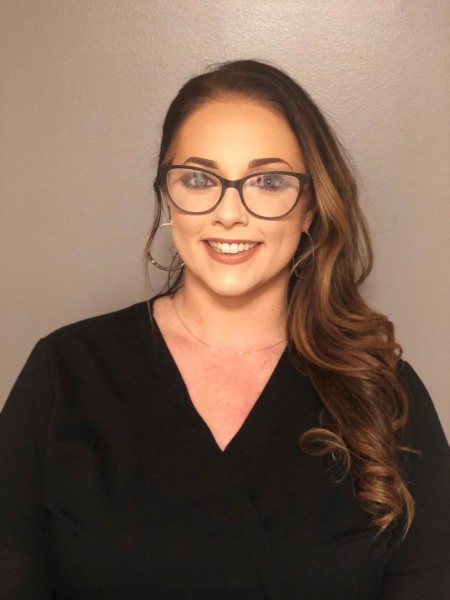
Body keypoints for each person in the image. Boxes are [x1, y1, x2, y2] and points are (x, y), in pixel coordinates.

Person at [0, 60, 449, 600]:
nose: (229, 213)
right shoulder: (65, 372)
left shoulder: (384, 394)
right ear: (168, 197)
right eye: (199, 179)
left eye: (268, 181)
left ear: (310, 207)